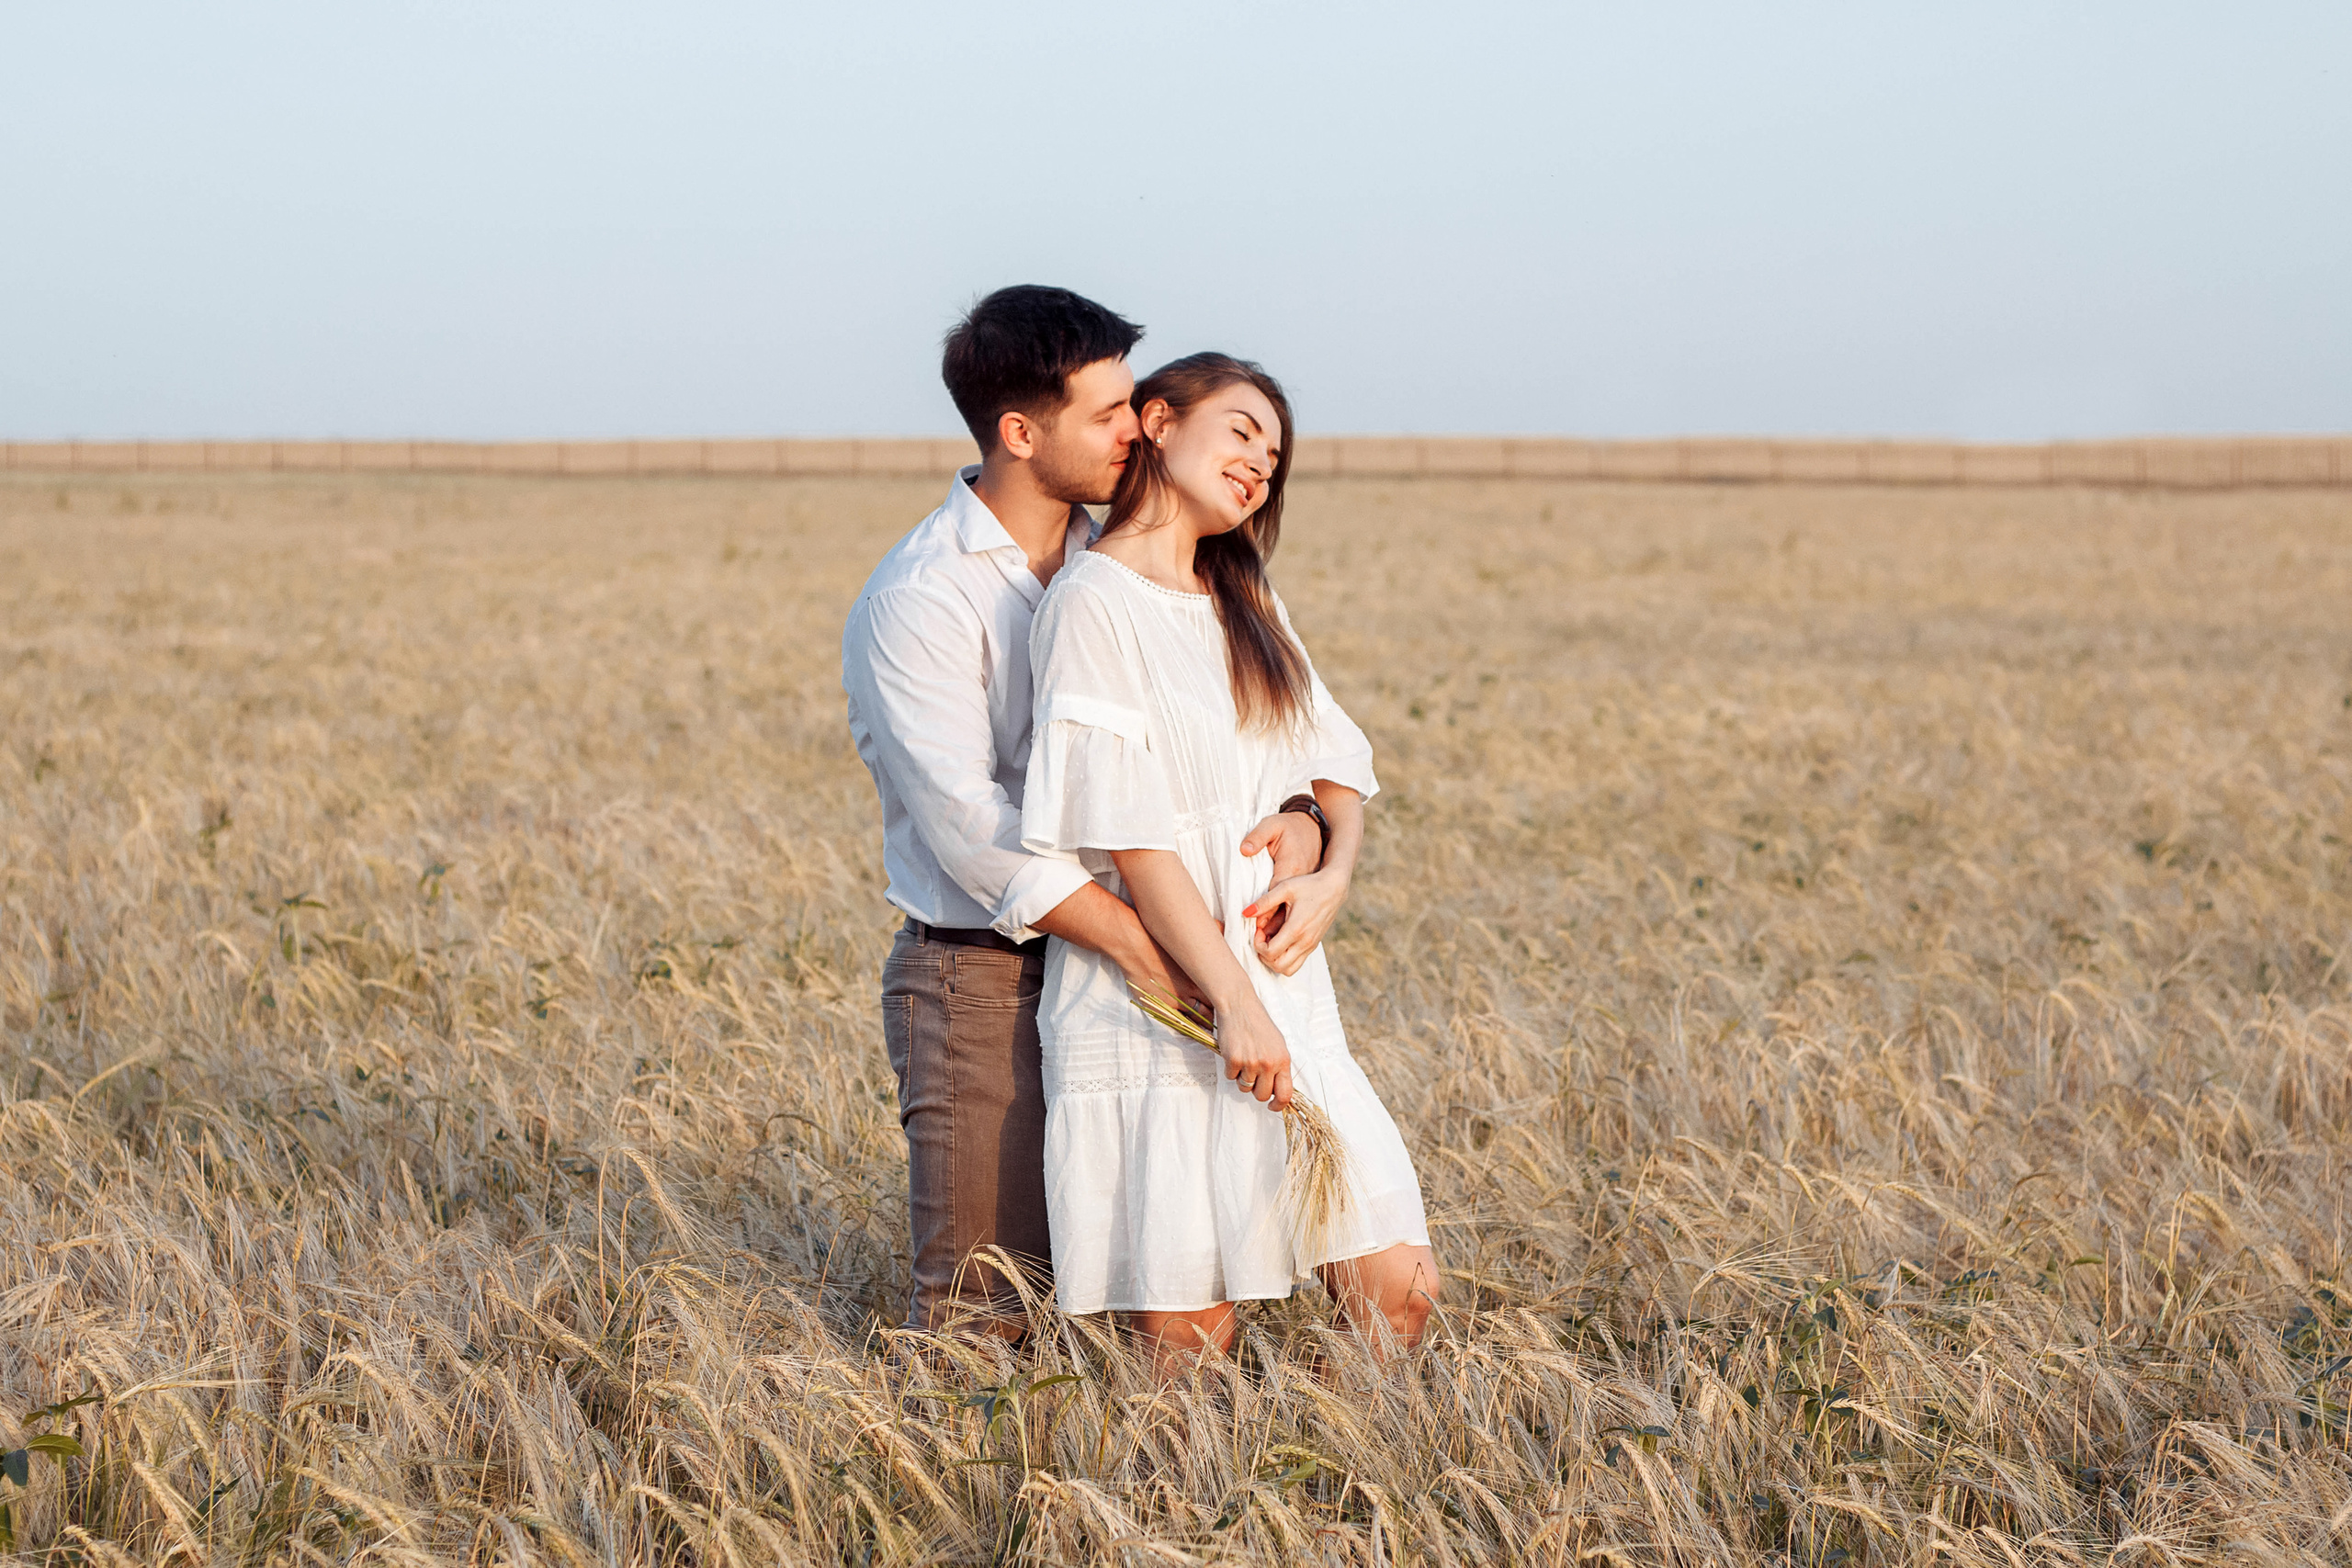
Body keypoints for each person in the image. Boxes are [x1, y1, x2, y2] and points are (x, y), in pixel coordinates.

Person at [841, 288, 1328, 1331]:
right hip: (989, 978)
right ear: (1021, 433)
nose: (1135, 428)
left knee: (1157, 1291)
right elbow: (971, 831)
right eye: (1106, 414)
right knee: (990, 1312)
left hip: (1151, 961)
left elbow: (1252, 737)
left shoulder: (1137, 560)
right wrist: (1154, 952)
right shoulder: (920, 597)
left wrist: (1306, 819)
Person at [1021, 352, 1441, 1370]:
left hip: (1285, 997)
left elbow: (1333, 760)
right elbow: (1135, 840)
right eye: (1243, 432)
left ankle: (1347, 1467)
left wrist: (1331, 863)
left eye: (1275, 457)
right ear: (1160, 422)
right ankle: (1208, 1481)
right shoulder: (1092, 602)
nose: (1260, 463)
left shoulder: (1243, 594)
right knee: (1189, 1347)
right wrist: (1232, 1002)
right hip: (1161, 1008)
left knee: (1401, 1290)